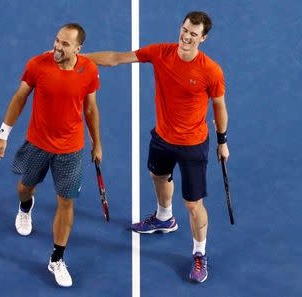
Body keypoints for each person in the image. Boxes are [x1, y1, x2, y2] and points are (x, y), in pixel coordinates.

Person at [84, 11, 229, 283]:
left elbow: (219, 106)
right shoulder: (160, 53)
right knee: (157, 176)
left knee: (193, 204)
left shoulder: (211, 71)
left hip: (193, 144)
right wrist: (81, 58)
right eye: (185, 29)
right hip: (162, 137)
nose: (186, 37)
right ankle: (164, 218)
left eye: (193, 34)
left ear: (203, 38)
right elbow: (117, 58)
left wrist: (222, 141)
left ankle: (199, 254)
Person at [0, 23, 102, 287]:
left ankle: (57, 258)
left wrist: (96, 143)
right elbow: (19, 98)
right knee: (24, 188)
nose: (57, 47)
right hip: (38, 144)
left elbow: (90, 109)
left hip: (71, 150)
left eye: (65, 44)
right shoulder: (37, 65)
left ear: (78, 48)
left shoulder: (89, 70)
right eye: (57, 40)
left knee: (66, 203)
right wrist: (2, 134)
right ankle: (25, 207)